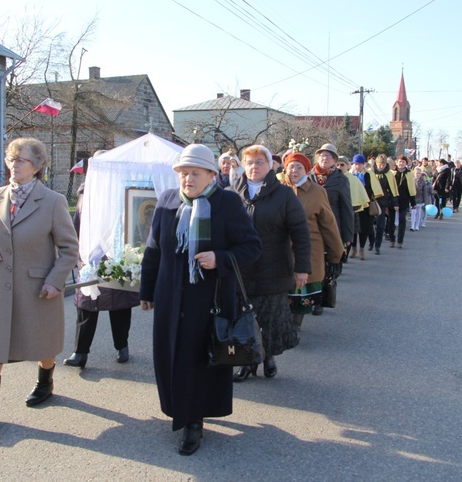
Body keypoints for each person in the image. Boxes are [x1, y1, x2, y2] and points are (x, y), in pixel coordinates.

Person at [139, 144, 261, 456]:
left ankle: (194, 421)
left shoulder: (227, 202)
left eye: (195, 172)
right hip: (170, 296)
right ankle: (178, 407)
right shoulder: (167, 200)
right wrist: (147, 291)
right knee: (171, 355)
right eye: (182, 172)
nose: (187, 178)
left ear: (211, 174)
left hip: (210, 297)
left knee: (199, 358)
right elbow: (154, 249)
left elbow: (251, 247)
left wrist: (219, 257)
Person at [0, 138, 79, 421]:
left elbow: (69, 248)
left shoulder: (53, 202)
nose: (13, 165)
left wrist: (55, 280)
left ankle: (45, 382)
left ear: (37, 165)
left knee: (42, 342)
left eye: (21, 160)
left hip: (37, 288)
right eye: (11, 159)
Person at [232, 145, 311, 381]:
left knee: (271, 319)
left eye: (259, 162)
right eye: (249, 162)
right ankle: (247, 362)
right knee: (244, 319)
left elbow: (300, 233)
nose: (254, 167)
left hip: (273, 268)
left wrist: (302, 268)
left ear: (270, 166)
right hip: (241, 270)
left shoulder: (284, 194)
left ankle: (268, 356)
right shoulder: (231, 193)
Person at [63, 167, 138, 369]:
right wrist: (73, 253)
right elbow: (75, 227)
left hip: (117, 258)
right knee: (86, 306)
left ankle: (122, 346)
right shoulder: (85, 196)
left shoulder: (123, 193)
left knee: (120, 307)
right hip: (90, 258)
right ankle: (80, 353)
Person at [283, 152, 343, 321]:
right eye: (291, 166)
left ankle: (296, 326)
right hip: (281, 250)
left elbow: (328, 224)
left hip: (309, 249)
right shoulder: (279, 188)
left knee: (301, 294)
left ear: (306, 170)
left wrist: (336, 253)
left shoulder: (317, 192)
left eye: (299, 167)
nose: (294, 170)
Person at [311, 144, 354, 250]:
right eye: (322, 155)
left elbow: (346, 208)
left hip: (332, 227)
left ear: (334, 160)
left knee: (332, 261)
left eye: (329, 156)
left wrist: (347, 236)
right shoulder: (308, 177)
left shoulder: (341, 179)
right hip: (311, 227)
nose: (325, 158)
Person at [337, 155, 368, 260]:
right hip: (336, 211)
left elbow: (359, 193)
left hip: (351, 211)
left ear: (347, 166)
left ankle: (346, 253)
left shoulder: (353, 179)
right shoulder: (332, 178)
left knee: (349, 234)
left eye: (342, 165)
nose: (339, 167)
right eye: (337, 164)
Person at [351, 153, 381, 259]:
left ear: (363, 164)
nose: (357, 166)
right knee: (353, 229)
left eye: (359, 164)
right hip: (353, 205)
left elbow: (374, 189)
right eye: (355, 164)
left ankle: (362, 249)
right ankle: (353, 249)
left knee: (364, 228)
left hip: (366, 205)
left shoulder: (368, 175)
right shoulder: (350, 174)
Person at [371, 154, 398, 254]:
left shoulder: (389, 174)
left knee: (380, 224)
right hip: (371, 201)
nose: (381, 166)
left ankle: (377, 245)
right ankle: (371, 241)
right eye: (379, 164)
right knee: (370, 224)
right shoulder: (371, 173)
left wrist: (395, 203)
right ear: (376, 164)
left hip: (382, 201)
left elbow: (392, 189)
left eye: (383, 165)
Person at [393, 155, 416, 248]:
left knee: (402, 219)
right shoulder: (392, 173)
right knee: (391, 221)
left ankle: (400, 240)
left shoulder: (409, 174)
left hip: (404, 200)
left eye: (403, 162)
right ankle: (391, 237)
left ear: (406, 163)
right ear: (396, 162)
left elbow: (411, 188)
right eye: (400, 161)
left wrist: (413, 202)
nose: (401, 163)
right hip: (393, 199)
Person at [410, 166, 431, 231]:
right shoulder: (411, 180)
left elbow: (425, 192)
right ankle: (412, 225)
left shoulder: (423, 181)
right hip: (413, 199)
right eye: (416, 173)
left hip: (420, 199)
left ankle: (417, 225)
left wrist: (425, 201)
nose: (418, 174)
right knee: (413, 213)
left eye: (419, 173)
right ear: (414, 173)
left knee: (419, 213)